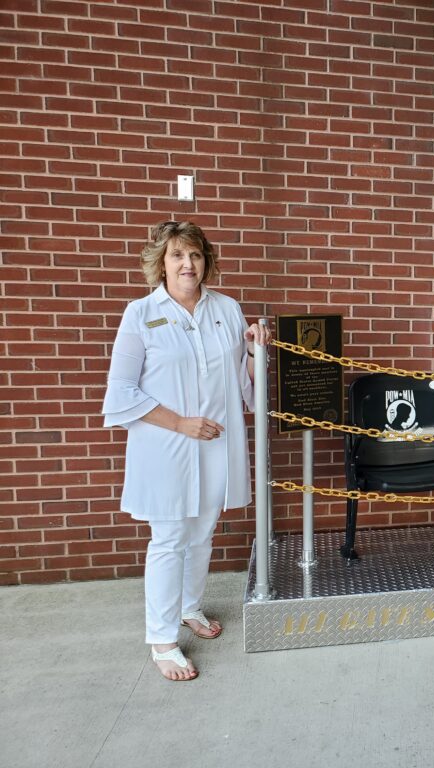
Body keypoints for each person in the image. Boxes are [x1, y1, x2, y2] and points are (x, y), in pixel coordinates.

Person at [102, 221, 272, 680]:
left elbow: (244, 385)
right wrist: (180, 423)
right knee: (170, 539)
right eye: (177, 255)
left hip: (215, 444)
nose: (187, 264)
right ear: (161, 261)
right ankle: (161, 640)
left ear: (205, 261)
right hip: (166, 447)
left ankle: (189, 608)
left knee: (202, 533)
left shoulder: (227, 309)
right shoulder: (140, 314)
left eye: (194, 255)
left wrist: (256, 352)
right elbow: (120, 392)